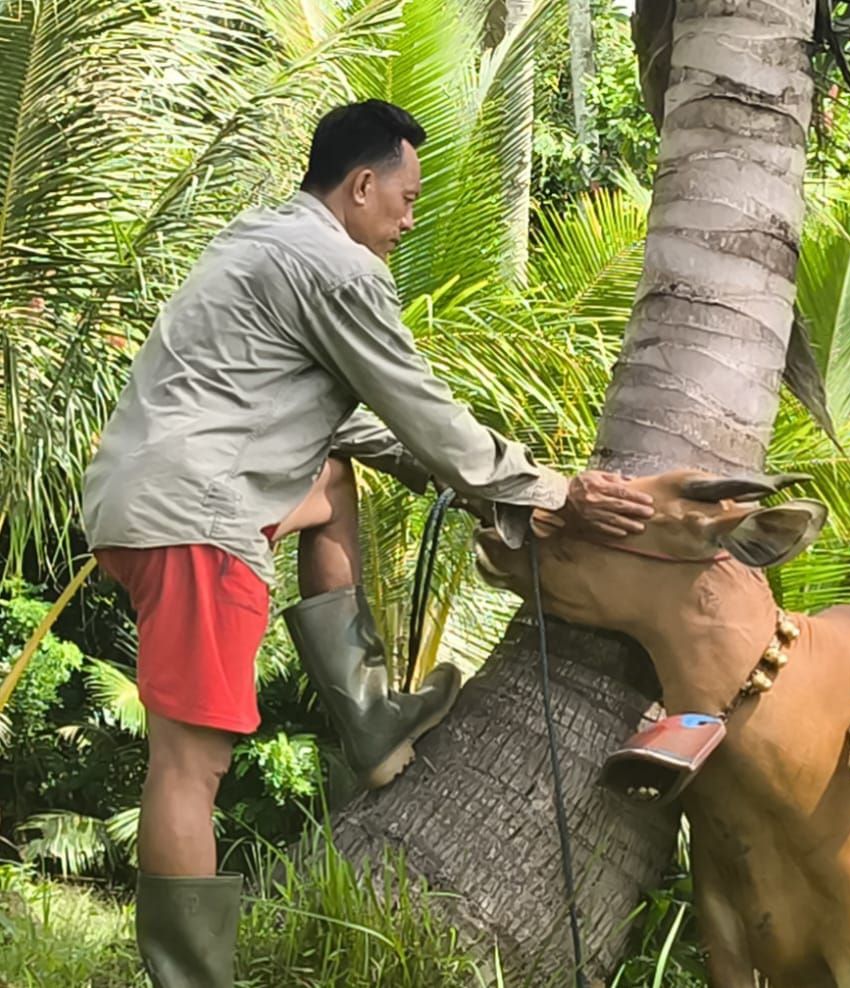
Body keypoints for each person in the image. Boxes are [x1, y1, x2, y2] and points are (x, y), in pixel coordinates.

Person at [80, 100, 654, 987]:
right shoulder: (340, 269)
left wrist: (485, 489)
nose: (409, 220)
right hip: (198, 520)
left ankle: (370, 715)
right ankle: (189, 980)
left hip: (145, 501)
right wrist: (547, 490)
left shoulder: (261, 239)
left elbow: (349, 426)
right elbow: (418, 408)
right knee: (189, 768)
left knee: (330, 481)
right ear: (360, 185)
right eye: (406, 197)